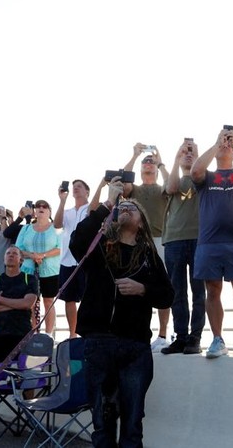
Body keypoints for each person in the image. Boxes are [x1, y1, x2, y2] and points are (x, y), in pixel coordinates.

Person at [71, 178, 174, 447]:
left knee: (132, 424)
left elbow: (167, 296)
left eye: (133, 207)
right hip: (99, 342)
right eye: (122, 206)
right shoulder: (100, 246)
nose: (126, 208)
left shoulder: (151, 255)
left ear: (141, 222)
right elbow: (77, 242)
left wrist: (143, 290)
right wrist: (107, 203)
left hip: (135, 347)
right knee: (102, 425)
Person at [191, 127, 233, 358]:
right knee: (212, 289)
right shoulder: (206, 176)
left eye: (229, 141)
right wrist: (217, 144)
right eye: (222, 142)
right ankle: (217, 339)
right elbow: (196, 170)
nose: (226, 144)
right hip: (210, 242)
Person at [123, 143, 171, 353]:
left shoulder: (163, 188)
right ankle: (137, 330)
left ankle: (162, 334)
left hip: (161, 240)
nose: (148, 164)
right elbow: (123, 183)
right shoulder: (135, 189)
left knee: (161, 284)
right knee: (137, 286)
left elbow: (172, 186)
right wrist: (134, 156)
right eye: (146, 161)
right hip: (137, 242)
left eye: (151, 161)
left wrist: (160, 161)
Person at [159, 138, 206, 355]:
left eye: (192, 151)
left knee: (198, 290)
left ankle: (195, 337)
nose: (188, 154)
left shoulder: (202, 177)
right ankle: (180, 336)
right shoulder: (174, 177)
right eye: (185, 151)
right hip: (174, 240)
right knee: (177, 291)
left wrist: (196, 157)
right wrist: (177, 159)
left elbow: (201, 176)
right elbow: (171, 187)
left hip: (199, 239)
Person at [0, 245, 38, 419]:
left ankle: (29, 416)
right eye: (8, 253)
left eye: (14, 253)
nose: (10, 256)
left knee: (27, 375)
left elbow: (27, 304)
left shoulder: (29, 279)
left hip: (21, 336)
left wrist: (0, 300)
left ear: (21, 260)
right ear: (3, 258)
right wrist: (13, 305)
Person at [15, 200, 60, 337]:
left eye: (44, 206)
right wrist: (32, 255)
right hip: (28, 271)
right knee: (32, 303)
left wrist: (42, 255)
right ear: (34, 211)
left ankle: (47, 335)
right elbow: (18, 249)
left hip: (50, 271)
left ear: (49, 211)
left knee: (48, 301)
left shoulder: (56, 228)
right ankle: (33, 334)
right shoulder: (26, 228)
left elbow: (59, 248)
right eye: (38, 206)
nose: (41, 208)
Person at [54, 179, 91, 339]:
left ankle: (87, 332)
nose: (76, 189)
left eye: (79, 187)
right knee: (69, 299)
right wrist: (62, 200)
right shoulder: (67, 211)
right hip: (67, 261)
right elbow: (56, 224)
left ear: (87, 191)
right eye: (74, 187)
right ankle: (72, 334)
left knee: (88, 298)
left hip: (86, 260)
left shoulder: (91, 208)